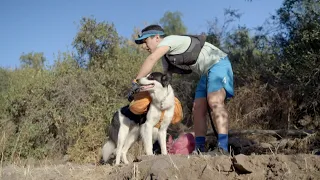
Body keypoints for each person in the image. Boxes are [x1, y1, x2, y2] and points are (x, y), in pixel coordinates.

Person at [128, 24, 234, 154]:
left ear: (156, 38)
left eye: (145, 41)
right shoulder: (166, 58)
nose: (144, 46)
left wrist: (136, 82)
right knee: (197, 107)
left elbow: (151, 59)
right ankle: (199, 149)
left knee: (214, 101)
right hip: (206, 73)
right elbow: (165, 83)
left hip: (218, 63)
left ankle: (222, 148)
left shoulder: (169, 41)